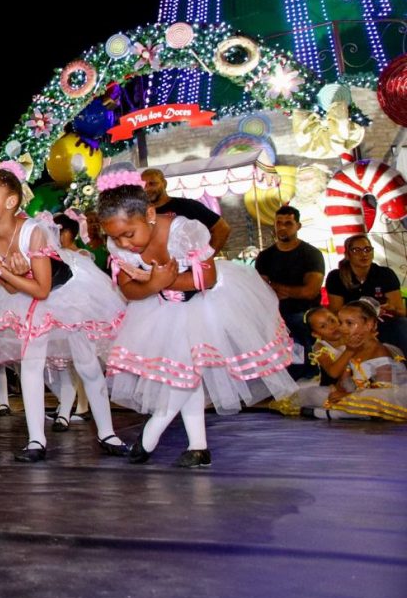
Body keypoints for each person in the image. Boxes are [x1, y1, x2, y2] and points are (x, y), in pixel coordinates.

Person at [96, 171, 296, 467]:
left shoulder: (184, 230)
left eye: (129, 234)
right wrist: (152, 284)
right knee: (184, 371)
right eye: (115, 238)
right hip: (161, 309)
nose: (124, 244)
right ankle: (198, 446)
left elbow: (208, 279)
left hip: (207, 304)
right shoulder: (119, 248)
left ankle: (151, 433)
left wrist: (160, 280)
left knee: (186, 370)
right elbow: (129, 289)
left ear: (150, 214)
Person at [0, 168, 129, 463]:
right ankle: (35, 440)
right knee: (31, 364)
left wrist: (3, 268)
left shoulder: (34, 232)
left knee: (87, 364)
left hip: (66, 293)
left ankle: (108, 433)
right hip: (23, 296)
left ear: (10, 202)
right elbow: (9, 287)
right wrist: (4, 270)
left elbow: (42, 289)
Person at [254, 206, 326, 377]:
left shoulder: (311, 254)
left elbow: (310, 291)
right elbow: (261, 291)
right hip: (274, 312)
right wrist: (290, 290)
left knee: (296, 323)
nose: (282, 227)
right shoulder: (265, 257)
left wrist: (275, 286)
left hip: (305, 311)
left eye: (288, 223)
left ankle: (307, 374)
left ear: (298, 226)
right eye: (279, 223)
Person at [317, 298, 406, 421]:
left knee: (367, 402)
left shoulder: (380, 351)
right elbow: (343, 381)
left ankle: (336, 413)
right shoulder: (353, 349)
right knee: (328, 397)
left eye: (349, 323)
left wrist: (349, 395)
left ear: (369, 325)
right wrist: (339, 391)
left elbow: (384, 390)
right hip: (362, 393)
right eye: (341, 322)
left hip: (385, 396)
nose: (342, 329)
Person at [325, 234, 407, 354]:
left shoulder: (385, 274)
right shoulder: (336, 277)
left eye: (367, 249)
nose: (363, 254)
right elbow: (336, 311)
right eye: (356, 250)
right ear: (348, 254)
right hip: (351, 326)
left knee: (401, 324)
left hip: (381, 322)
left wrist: (390, 309)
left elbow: (401, 310)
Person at [141, 168, 231, 252]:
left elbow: (222, 229)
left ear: (164, 183)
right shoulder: (138, 213)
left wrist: (204, 258)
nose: (147, 189)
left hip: (185, 267)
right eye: (143, 185)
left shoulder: (187, 206)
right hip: (152, 268)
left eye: (152, 183)